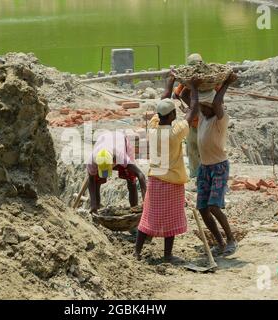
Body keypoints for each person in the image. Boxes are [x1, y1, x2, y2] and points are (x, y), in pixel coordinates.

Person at [135, 99, 194, 263]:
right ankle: (167, 255)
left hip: (155, 180)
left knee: (148, 216)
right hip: (173, 182)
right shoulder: (175, 133)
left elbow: (163, 103)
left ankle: (137, 252)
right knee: (172, 218)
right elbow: (192, 111)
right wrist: (194, 89)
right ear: (173, 114)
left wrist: (170, 85)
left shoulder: (152, 129)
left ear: (159, 115)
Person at [186, 73, 238, 257]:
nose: (203, 109)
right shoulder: (202, 118)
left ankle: (231, 240)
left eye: (206, 106)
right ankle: (220, 242)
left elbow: (217, 103)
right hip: (205, 168)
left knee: (214, 206)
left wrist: (226, 83)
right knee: (202, 208)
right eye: (202, 106)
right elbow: (187, 99)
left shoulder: (220, 120)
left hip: (219, 167)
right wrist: (190, 85)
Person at [162, 53, 203, 179]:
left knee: (203, 150)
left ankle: (203, 177)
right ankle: (196, 176)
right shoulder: (186, 83)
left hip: (205, 122)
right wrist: (185, 108)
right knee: (192, 150)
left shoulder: (210, 81)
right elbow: (176, 95)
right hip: (193, 122)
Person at [87, 131, 147, 214]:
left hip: (120, 141)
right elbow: (91, 181)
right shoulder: (92, 161)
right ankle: (96, 208)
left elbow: (141, 175)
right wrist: (92, 204)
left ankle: (134, 209)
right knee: (96, 180)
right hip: (103, 140)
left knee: (131, 178)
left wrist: (145, 200)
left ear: (114, 162)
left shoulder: (121, 156)